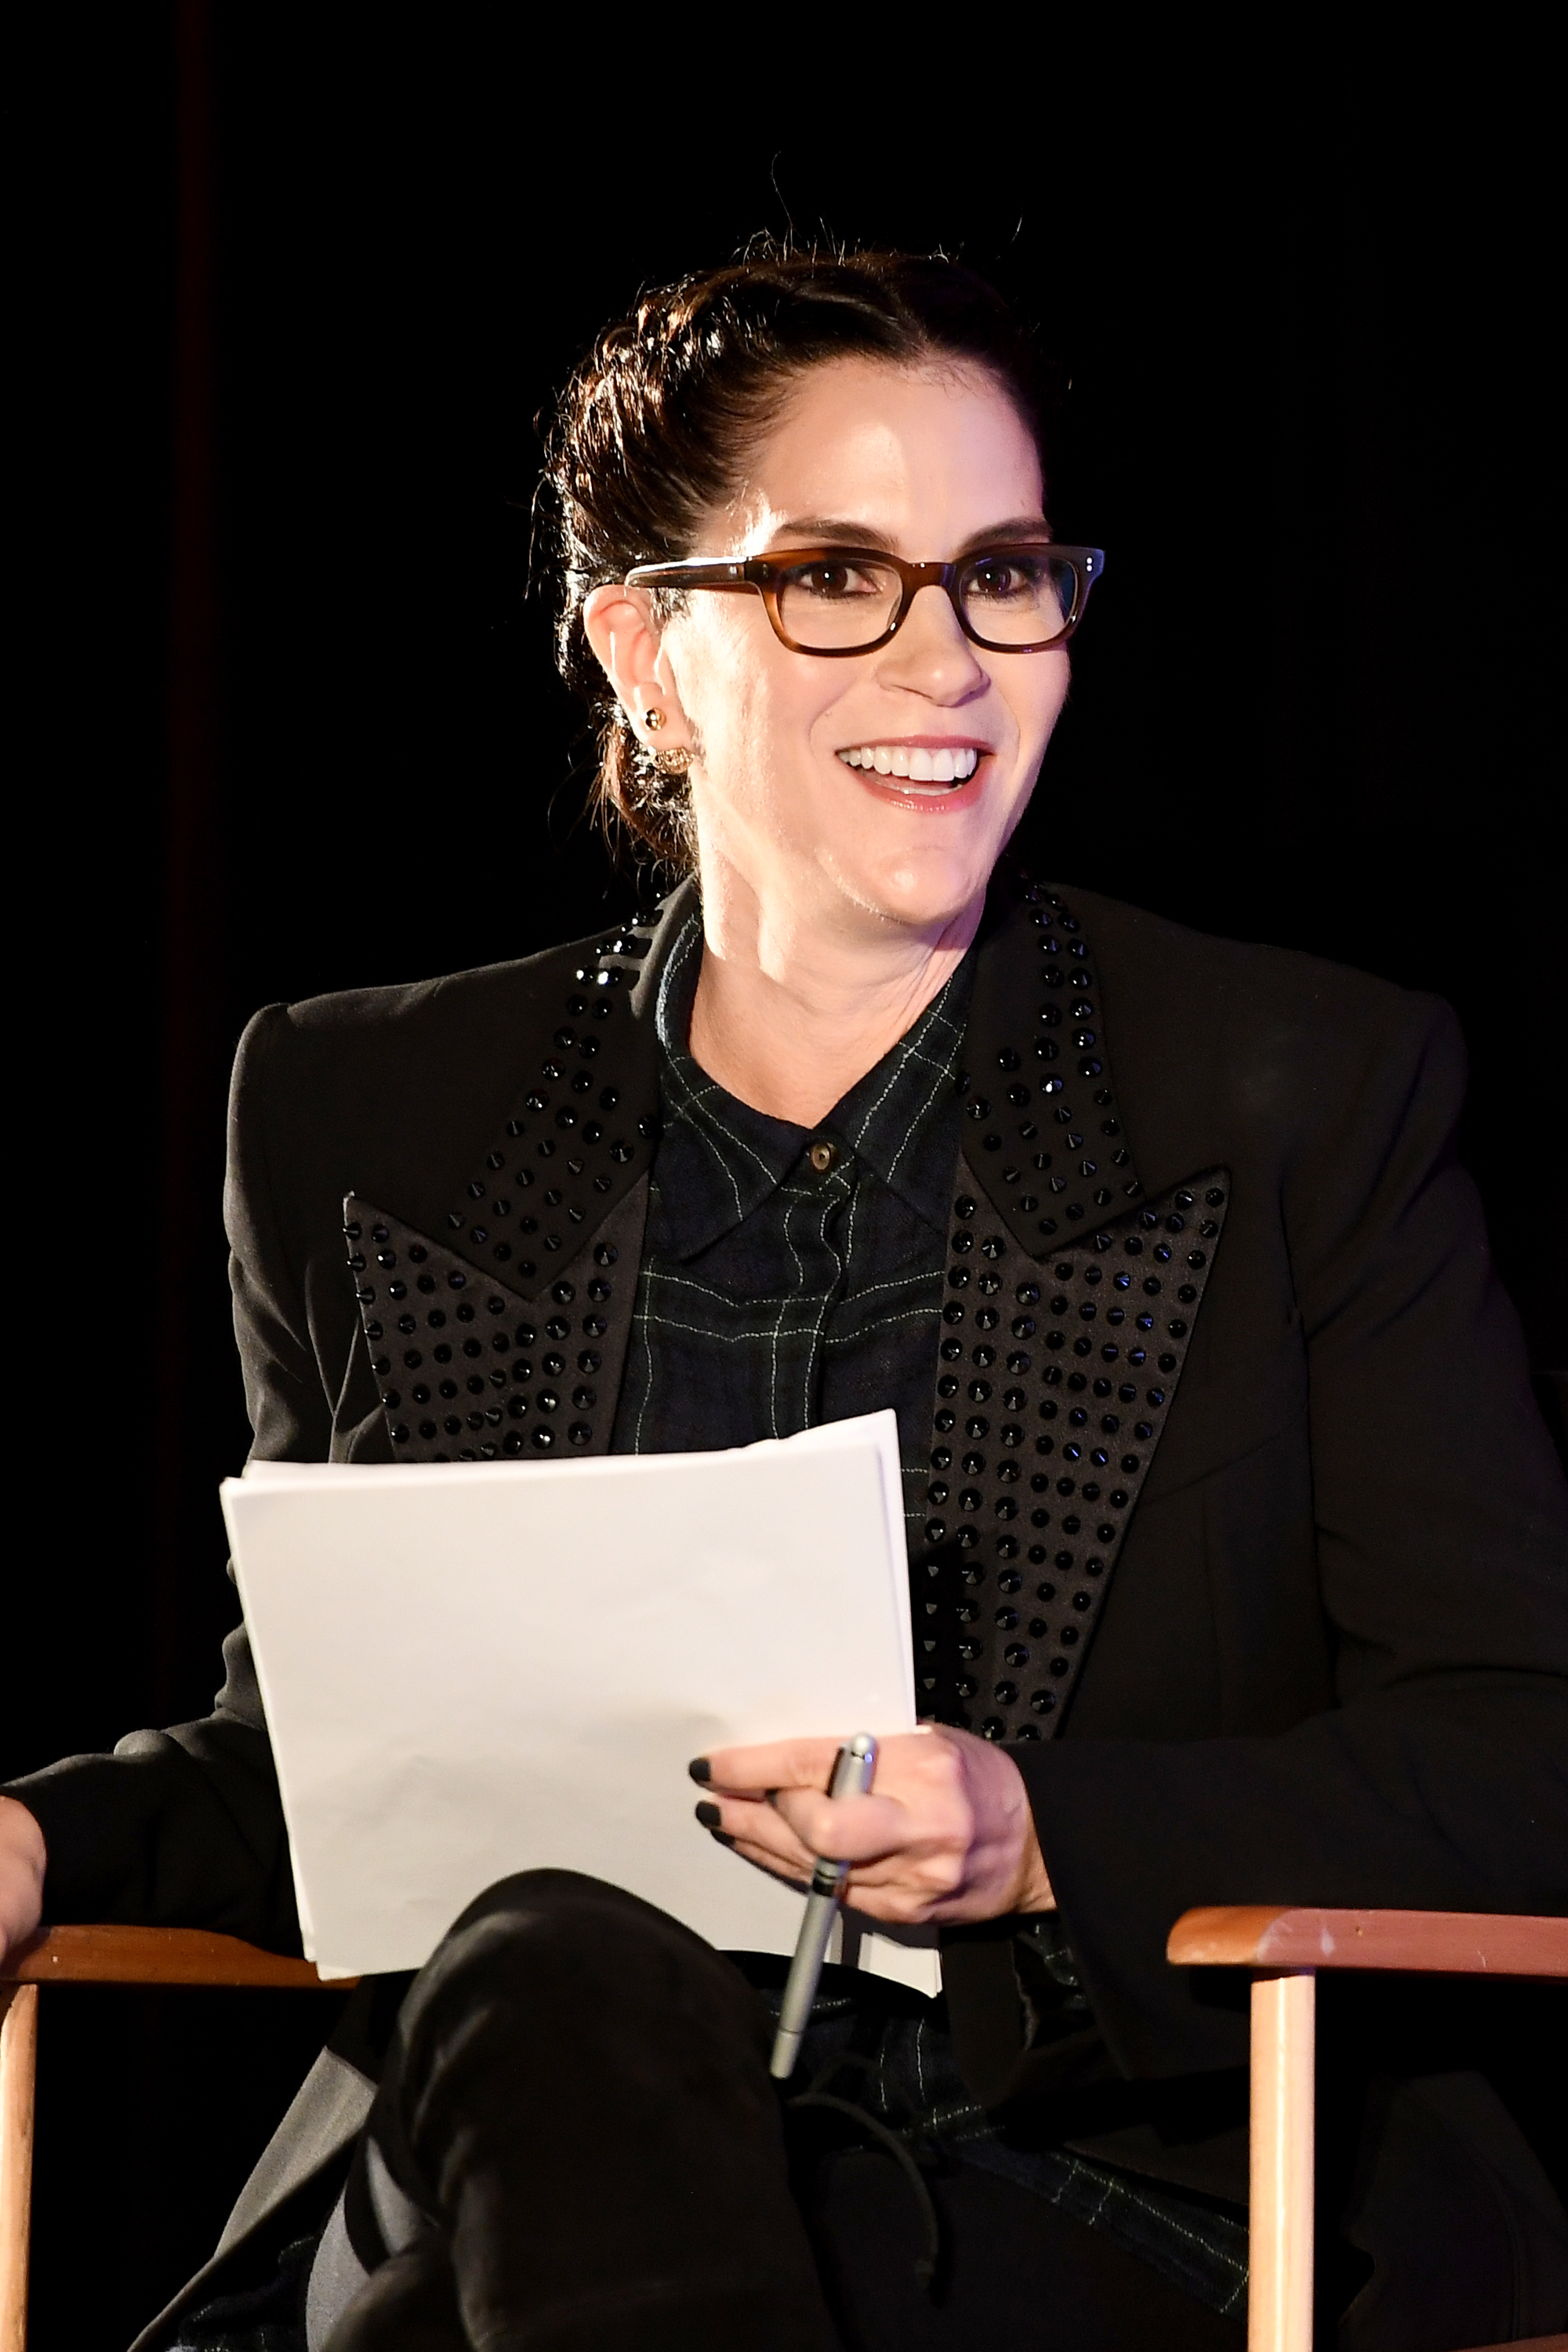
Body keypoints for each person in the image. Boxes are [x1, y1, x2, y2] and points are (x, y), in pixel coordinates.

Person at [3, 248, 1566, 2352]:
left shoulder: (1291, 1090)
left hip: (1083, 2184)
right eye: (838, 577)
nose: (948, 659)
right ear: (645, 652)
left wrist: (1041, 1835)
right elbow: (330, 1753)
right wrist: (35, 1840)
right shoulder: (372, 1112)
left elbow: (1520, 1752)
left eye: (1002, 574)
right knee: (552, 1971)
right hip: (508, 2141)